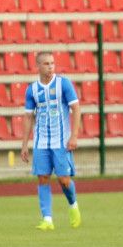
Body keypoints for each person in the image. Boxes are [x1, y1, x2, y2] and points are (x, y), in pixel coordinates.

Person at [21, 51, 82, 230]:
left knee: (63, 180)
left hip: (61, 141)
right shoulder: (32, 89)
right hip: (41, 142)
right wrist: (24, 144)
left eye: (52, 63)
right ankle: (47, 219)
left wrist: (74, 136)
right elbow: (28, 117)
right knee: (43, 177)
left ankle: (73, 204)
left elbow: (76, 109)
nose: (50, 67)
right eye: (46, 64)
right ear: (38, 66)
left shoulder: (64, 84)